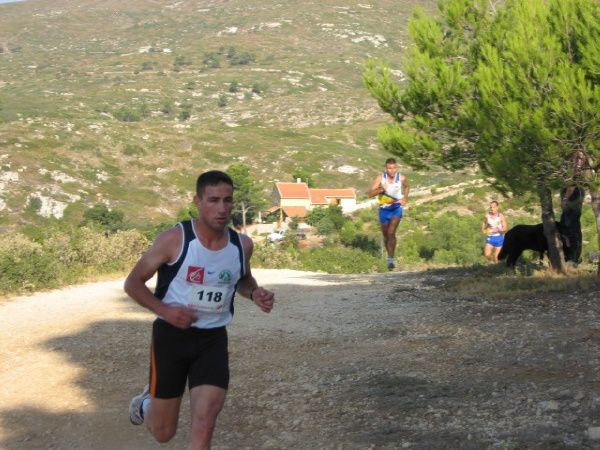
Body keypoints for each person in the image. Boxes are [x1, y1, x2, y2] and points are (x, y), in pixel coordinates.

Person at [125, 170, 275, 449]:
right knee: (163, 432)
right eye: (213, 200)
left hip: (212, 339)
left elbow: (242, 279)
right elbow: (133, 283)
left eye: (227, 200)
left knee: (205, 421)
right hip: (171, 338)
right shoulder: (175, 240)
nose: (222, 208)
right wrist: (166, 311)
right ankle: (147, 403)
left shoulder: (241, 245)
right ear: (197, 200)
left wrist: (254, 293)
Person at [368, 158, 410, 271]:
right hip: (384, 209)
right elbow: (370, 194)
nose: (392, 170)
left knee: (392, 232)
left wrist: (405, 198)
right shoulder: (380, 178)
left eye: (394, 168)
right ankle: (389, 256)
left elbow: (407, 186)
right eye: (389, 168)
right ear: (386, 168)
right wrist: (381, 189)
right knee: (386, 235)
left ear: (397, 168)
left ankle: (391, 259)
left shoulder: (401, 178)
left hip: (396, 208)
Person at [560, 184, 584, 264]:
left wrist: (566, 200)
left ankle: (573, 260)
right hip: (568, 217)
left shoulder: (579, 189)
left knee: (574, 237)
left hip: (573, 216)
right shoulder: (564, 189)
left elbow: (578, 203)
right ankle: (571, 259)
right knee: (568, 237)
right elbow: (563, 207)